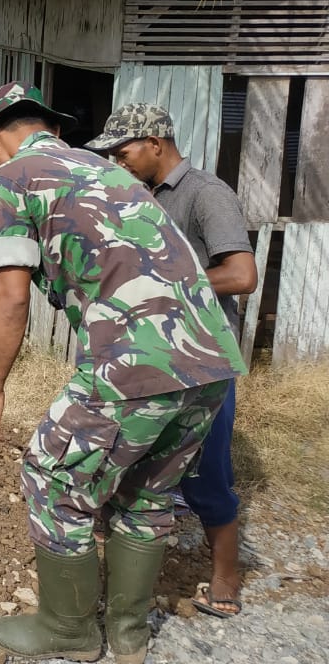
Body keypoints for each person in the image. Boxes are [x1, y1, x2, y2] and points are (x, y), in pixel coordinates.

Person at [0, 82, 247, 664]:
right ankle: (129, 634)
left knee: (52, 476)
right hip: (210, 360)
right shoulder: (109, 172)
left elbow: (11, 294)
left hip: (135, 362)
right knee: (147, 494)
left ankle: (68, 630)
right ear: (54, 127)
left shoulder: (13, 177)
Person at [87, 102, 258, 619]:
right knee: (129, 453)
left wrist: (163, 282)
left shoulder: (207, 195)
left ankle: (225, 578)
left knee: (208, 469)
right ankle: (126, 565)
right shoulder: (139, 196)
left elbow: (242, 275)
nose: (118, 162)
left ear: (156, 143)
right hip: (152, 352)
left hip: (202, 359)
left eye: (123, 151)